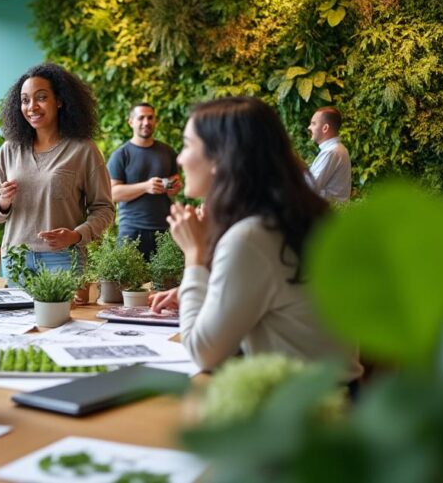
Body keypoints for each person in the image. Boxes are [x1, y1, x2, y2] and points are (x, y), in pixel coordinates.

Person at [148, 97, 362, 380]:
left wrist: (194, 254)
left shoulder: (251, 237)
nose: (179, 158)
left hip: (306, 413)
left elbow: (204, 352)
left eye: (187, 145)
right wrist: (210, 289)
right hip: (338, 400)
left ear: (219, 159)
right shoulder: (294, 219)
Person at [0, 63, 114, 277]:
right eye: (25, 100)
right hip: (16, 259)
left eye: (41, 98)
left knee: (64, 313)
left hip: (63, 258)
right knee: (18, 313)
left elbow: (104, 209)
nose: (32, 107)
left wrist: (76, 235)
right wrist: (3, 202)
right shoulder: (10, 149)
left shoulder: (83, 150)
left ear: (60, 101)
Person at [107, 103, 182, 261]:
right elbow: (112, 193)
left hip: (164, 230)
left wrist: (173, 187)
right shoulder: (120, 155)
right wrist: (146, 186)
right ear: (131, 122)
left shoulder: (167, 152)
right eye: (141, 118)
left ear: (155, 121)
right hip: (132, 231)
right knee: (129, 284)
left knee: (165, 284)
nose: (146, 122)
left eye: (150, 117)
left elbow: (175, 180)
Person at [306, 106, 352, 203]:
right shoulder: (336, 149)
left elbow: (310, 187)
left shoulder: (331, 152)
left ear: (325, 128)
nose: (309, 127)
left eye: (313, 124)